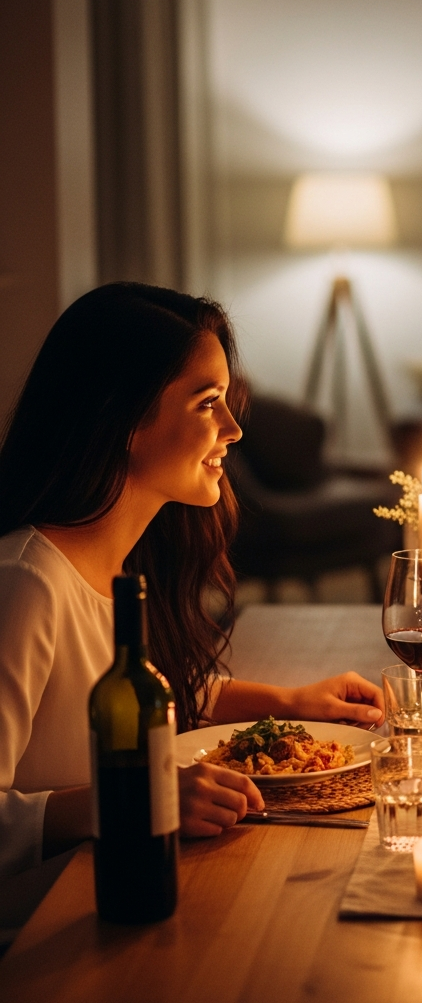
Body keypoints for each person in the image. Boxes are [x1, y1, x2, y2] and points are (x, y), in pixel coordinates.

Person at [0, 283, 384, 944]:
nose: (233, 432)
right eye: (209, 405)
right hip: (42, 939)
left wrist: (291, 701)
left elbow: (144, 690)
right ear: (122, 419)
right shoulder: (26, 584)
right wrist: (135, 797)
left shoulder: (131, 558)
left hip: (125, 896)